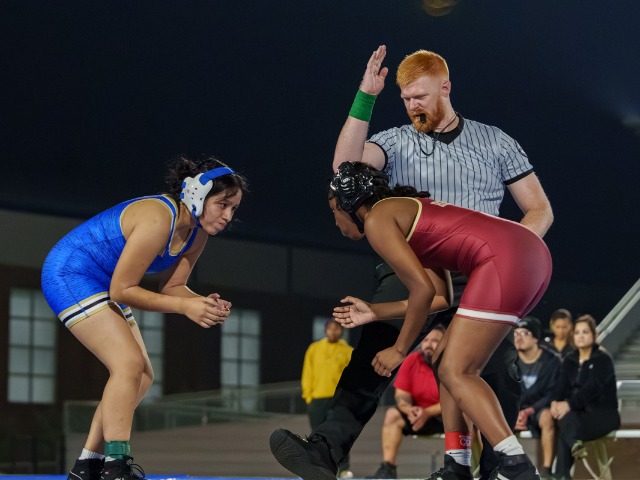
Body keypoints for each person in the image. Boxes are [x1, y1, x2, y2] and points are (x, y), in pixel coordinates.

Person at [270, 45, 553, 480]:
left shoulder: (496, 141)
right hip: (415, 263)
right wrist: (366, 96)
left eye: (419, 96)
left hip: (483, 265)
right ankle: (326, 449)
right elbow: (345, 170)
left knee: (494, 369)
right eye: (404, 98)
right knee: (375, 348)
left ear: (446, 87)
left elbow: (540, 209)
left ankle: (498, 464)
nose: (411, 105)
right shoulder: (395, 140)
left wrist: (510, 252)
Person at [41, 156, 248, 480]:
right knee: (128, 364)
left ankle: (87, 466)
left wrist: (201, 303)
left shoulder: (197, 234)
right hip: (71, 272)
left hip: (102, 281)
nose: (228, 216)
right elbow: (123, 290)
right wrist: (185, 308)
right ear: (197, 194)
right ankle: (116, 466)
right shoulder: (158, 218)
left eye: (233, 208)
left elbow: (173, 287)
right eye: (222, 204)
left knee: (143, 376)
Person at [369, 325, 446, 479]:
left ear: (444, 344)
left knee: (468, 417)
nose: (429, 344)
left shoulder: (450, 363)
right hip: (417, 416)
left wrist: (427, 412)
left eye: (435, 341)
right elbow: (401, 396)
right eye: (426, 340)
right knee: (392, 414)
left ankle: (470, 466)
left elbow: (455, 401)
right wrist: (409, 409)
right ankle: (388, 469)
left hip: (445, 417)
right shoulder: (411, 360)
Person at [550, 315, 620, 480]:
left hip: (603, 415)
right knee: (566, 420)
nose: (580, 336)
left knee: (567, 427)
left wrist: (568, 404)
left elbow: (593, 389)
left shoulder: (603, 359)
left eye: (585, 332)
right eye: (577, 332)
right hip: (577, 415)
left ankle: (561, 474)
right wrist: (555, 402)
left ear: (594, 335)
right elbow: (561, 385)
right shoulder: (570, 359)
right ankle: (574, 448)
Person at [302, 319, 354, 477]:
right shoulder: (314, 348)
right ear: (325, 330)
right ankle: (319, 468)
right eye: (330, 328)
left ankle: (343, 469)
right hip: (317, 398)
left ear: (342, 331)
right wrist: (308, 396)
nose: (333, 331)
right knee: (317, 435)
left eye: (336, 328)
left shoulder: (348, 351)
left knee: (341, 434)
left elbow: (352, 376)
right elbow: (307, 372)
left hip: (339, 399)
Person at [513, 317, 561, 479]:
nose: (518, 338)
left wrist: (530, 411)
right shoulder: (509, 360)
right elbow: (505, 391)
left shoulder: (552, 360)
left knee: (547, 417)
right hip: (517, 410)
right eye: (516, 333)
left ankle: (547, 469)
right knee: (492, 418)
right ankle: (494, 466)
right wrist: (517, 412)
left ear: (535, 338)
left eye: (524, 333)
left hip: (539, 409)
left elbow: (553, 393)